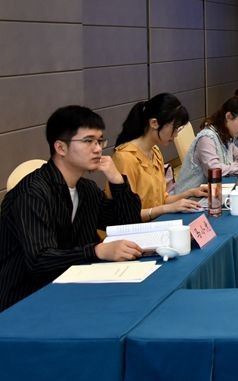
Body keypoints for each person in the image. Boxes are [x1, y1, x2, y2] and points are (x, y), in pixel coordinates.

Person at [0, 106, 143, 312]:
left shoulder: (86, 189)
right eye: (88, 141)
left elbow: (127, 225)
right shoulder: (31, 193)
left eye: (100, 141)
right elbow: (40, 260)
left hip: (71, 290)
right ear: (61, 148)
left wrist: (117, 181)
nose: (97, 149)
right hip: (24, 302)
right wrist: (96, 250)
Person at [111, 94, 206, 221]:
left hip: (156, 223)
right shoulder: (125, 158)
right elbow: (125, 215)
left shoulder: (155, 152)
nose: (176, 135)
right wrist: (166, 209)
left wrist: (191, 193)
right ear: (154, 123)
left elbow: (162, 200)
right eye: (175, 128)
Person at [176, 96, 238, 194]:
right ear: (228, 116)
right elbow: (214, 170)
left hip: (212, 191)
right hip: (191, 195)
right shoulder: (207, 138)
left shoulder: (225, 135)